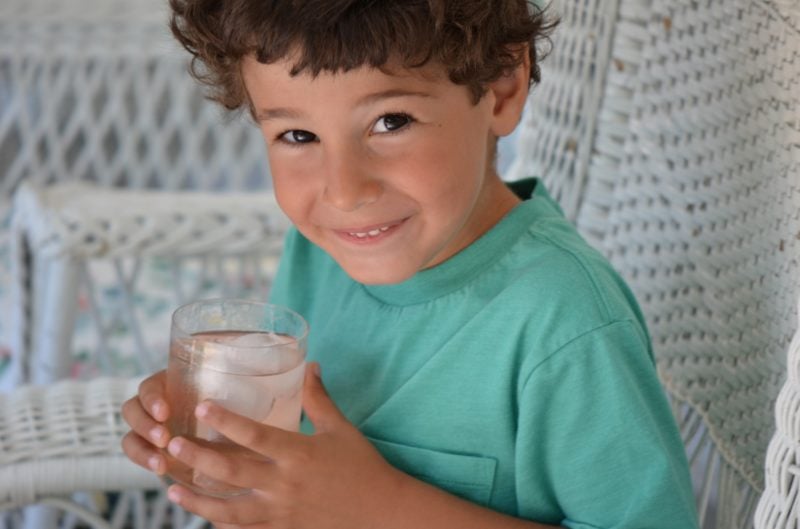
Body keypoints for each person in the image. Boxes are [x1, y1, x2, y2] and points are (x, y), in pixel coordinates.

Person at [121, 1, 701, 528]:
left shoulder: (566, 325)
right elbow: (300, 462)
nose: (344, 192)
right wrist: (218, 433)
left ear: (501, 88)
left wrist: (377, 508)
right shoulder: (324, 252)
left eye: (390, 122)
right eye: (298, 134)